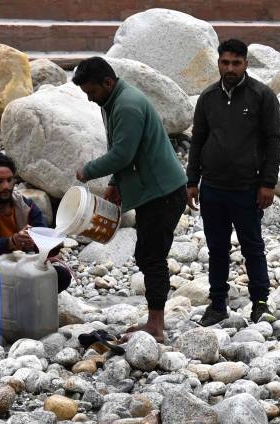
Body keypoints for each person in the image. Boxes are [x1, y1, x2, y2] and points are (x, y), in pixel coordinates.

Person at [73, 56, 188, 343]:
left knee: (152, 256)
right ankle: (155, 320)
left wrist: (88, 171)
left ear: (108, 82)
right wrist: (115, 183)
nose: (89, 99)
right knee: (149, 254)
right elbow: (126, 149)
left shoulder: (126, 105)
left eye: (92, 92)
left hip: (162, 192)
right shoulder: (111, 101)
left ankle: (156, 326)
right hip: (153, 191)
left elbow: (121, 155)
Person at [187, 38, 280, 326]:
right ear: (218, 63)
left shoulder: (262, 96)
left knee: (252, 246)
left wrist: (268, 183)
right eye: (225, 62)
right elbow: (198, 140)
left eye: (236, 63)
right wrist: (192, 180)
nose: (230, 68)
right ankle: (217, 305)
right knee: (217, 248)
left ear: (245, 64)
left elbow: (274, 141)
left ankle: (261, 303)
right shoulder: (207, 98)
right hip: (212, 188)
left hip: (247, 188)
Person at [0, 152, 72, 292]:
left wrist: (48, 242)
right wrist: (12, 242)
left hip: (24, 267)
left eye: (9, 180)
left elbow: (46, 248)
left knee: (62, 276)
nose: (6, 186)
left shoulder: (27, 206)